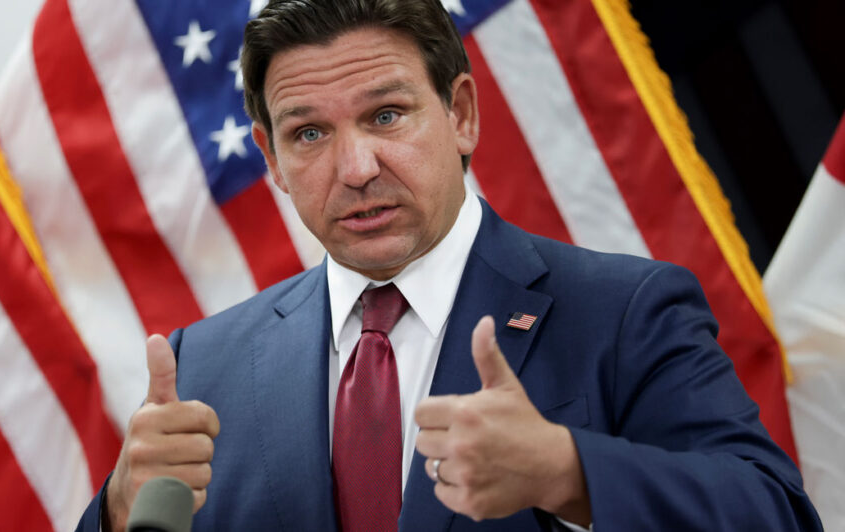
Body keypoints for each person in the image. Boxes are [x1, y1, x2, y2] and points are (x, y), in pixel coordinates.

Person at [78, 1, 821, 530]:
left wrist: (569, 474)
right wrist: (119, 511)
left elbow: (776, 514)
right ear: (270, 157)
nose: (357, 166)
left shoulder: (623, 311)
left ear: (460, 114)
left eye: (386, 116)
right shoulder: (203, 367)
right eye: (309, 134)